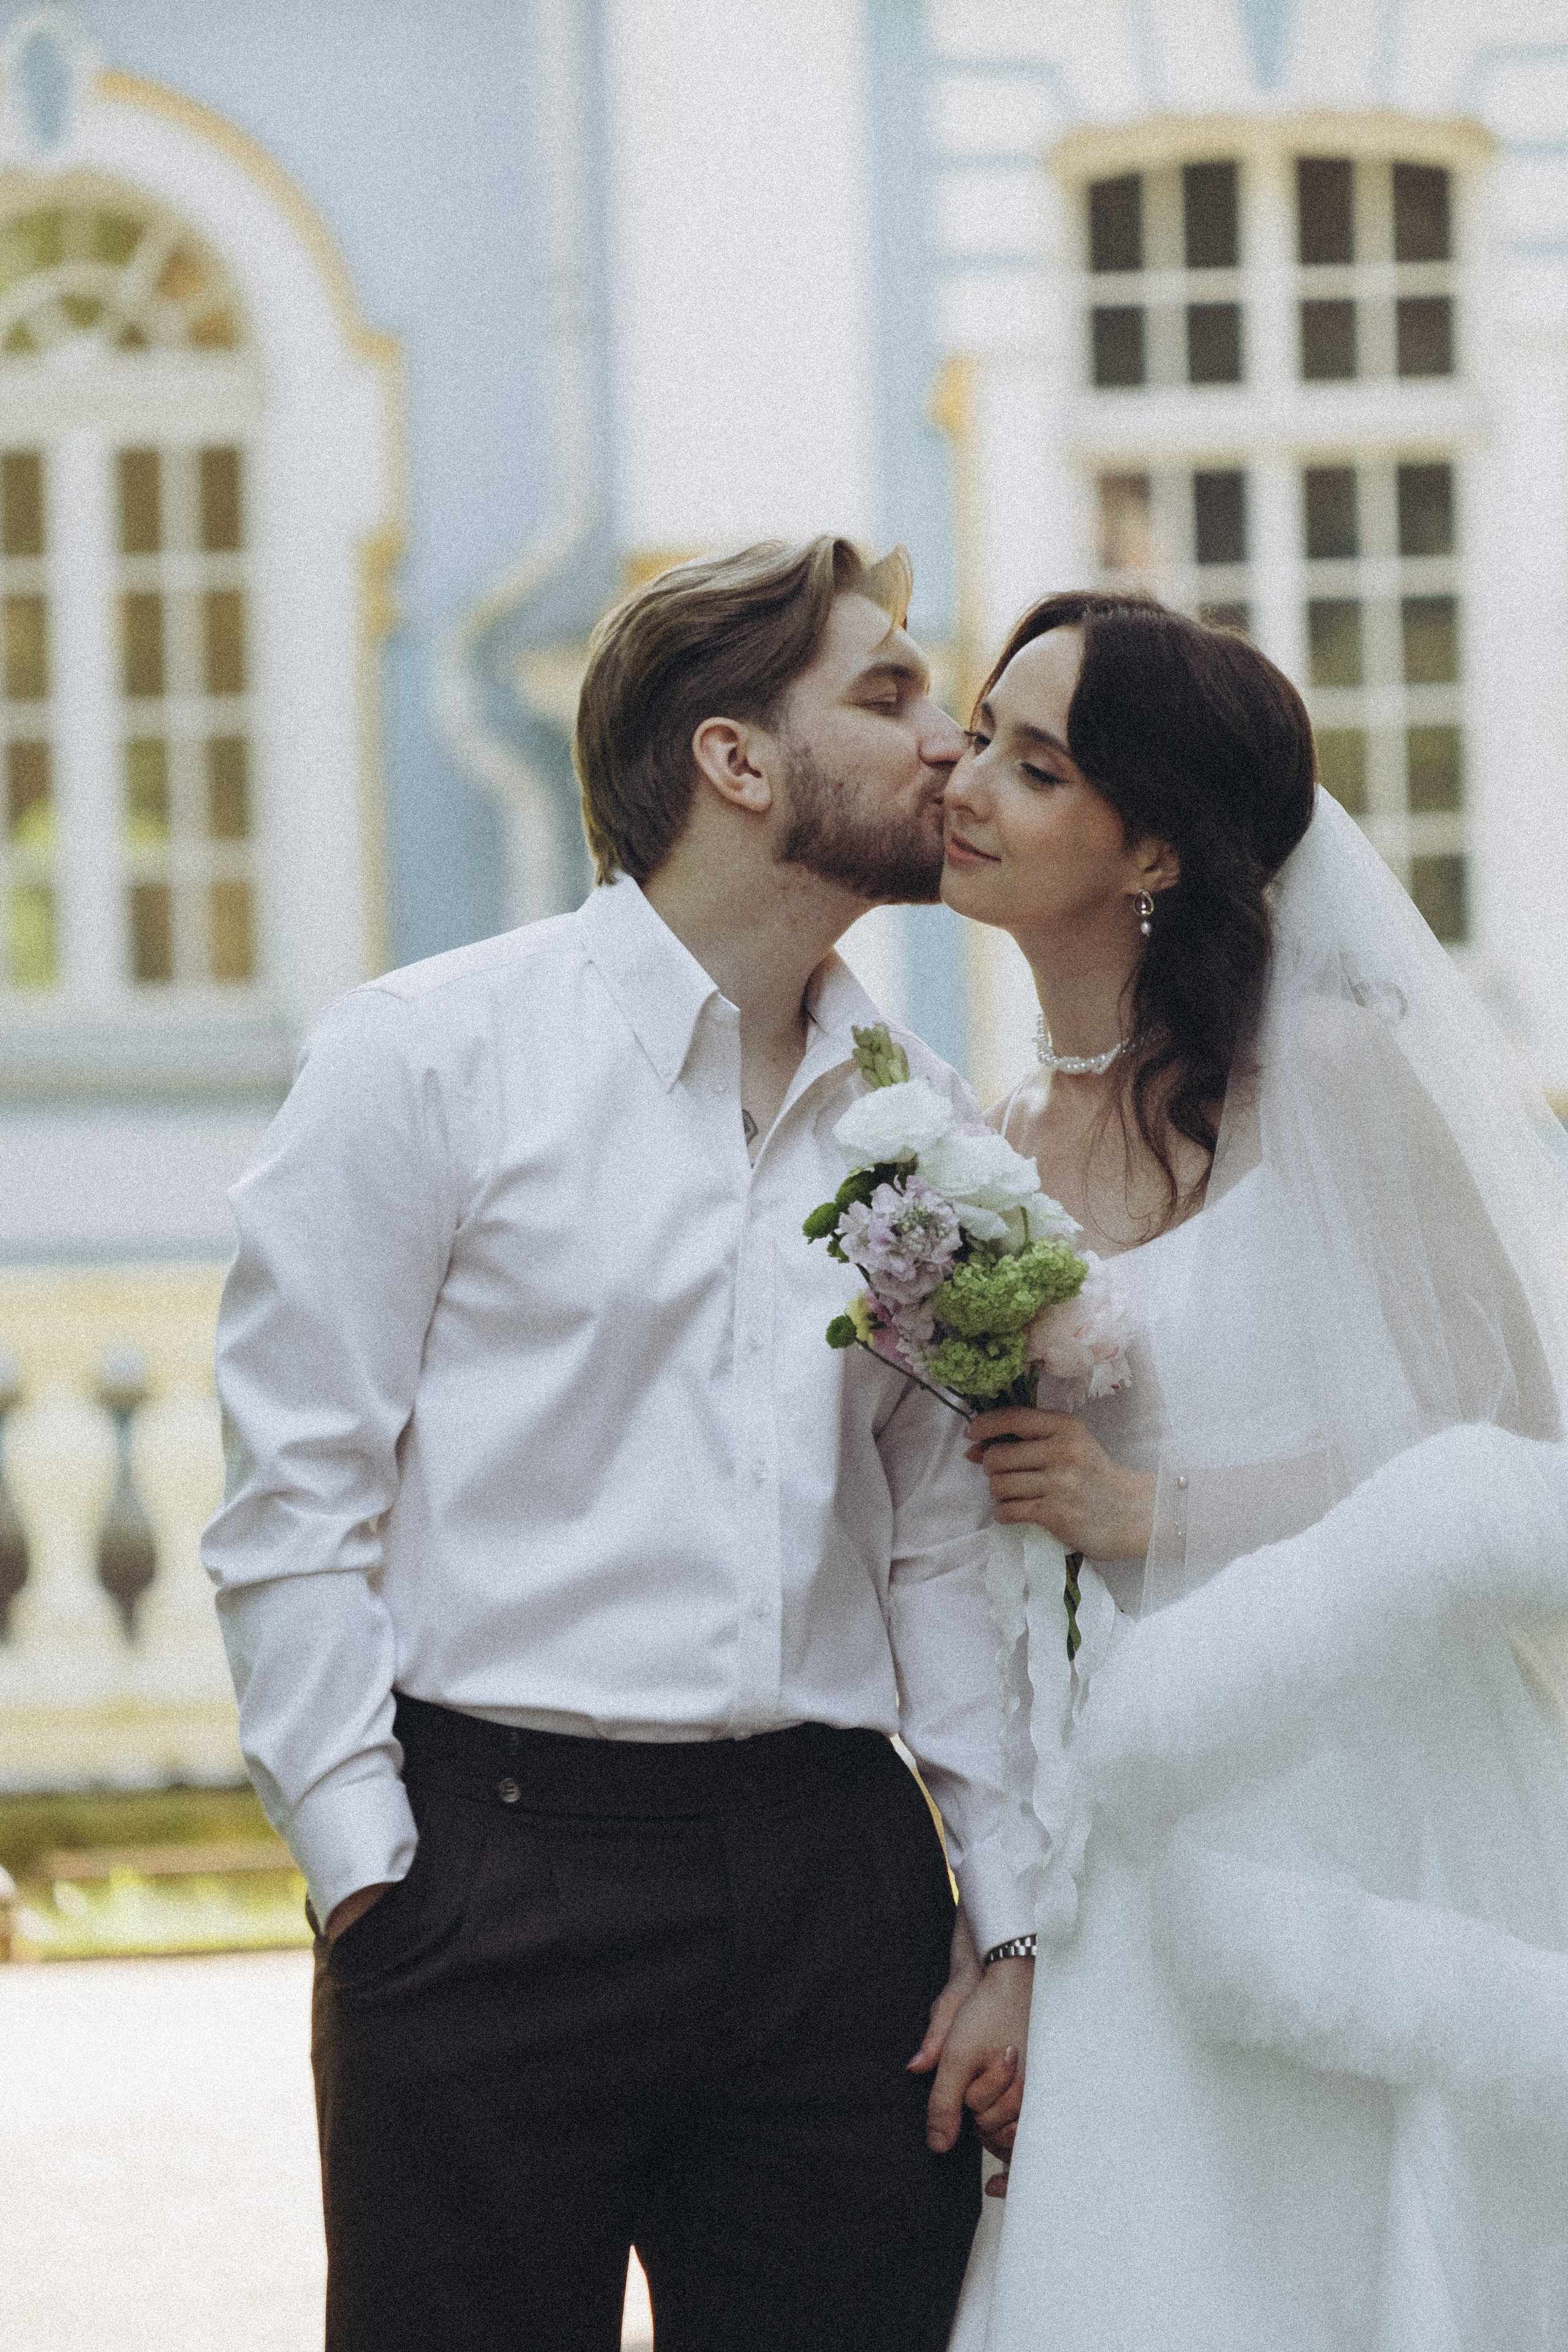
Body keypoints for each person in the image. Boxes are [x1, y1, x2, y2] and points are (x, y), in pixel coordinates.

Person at [203, 536, 1034, 2352]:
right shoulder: (423, 1058)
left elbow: (937, 1542)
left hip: (839, 1900)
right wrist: (368, 1876)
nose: (950, 744)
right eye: (889, 695)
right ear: (737, 761)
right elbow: (294, 1502)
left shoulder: (924, 1122)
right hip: (493, 1881)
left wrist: (1012, 1920)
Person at [939, 592, 1568, 2349]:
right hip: (1116, 1830)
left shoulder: (1337, 1074)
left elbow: (1513, 1435)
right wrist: (1009, 1929)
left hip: (1339, 1796)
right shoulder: (979, 1155)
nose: (967, 781)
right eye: (981, 735)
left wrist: (1167, 1508)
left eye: (1032, 763)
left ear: (1148, 846)